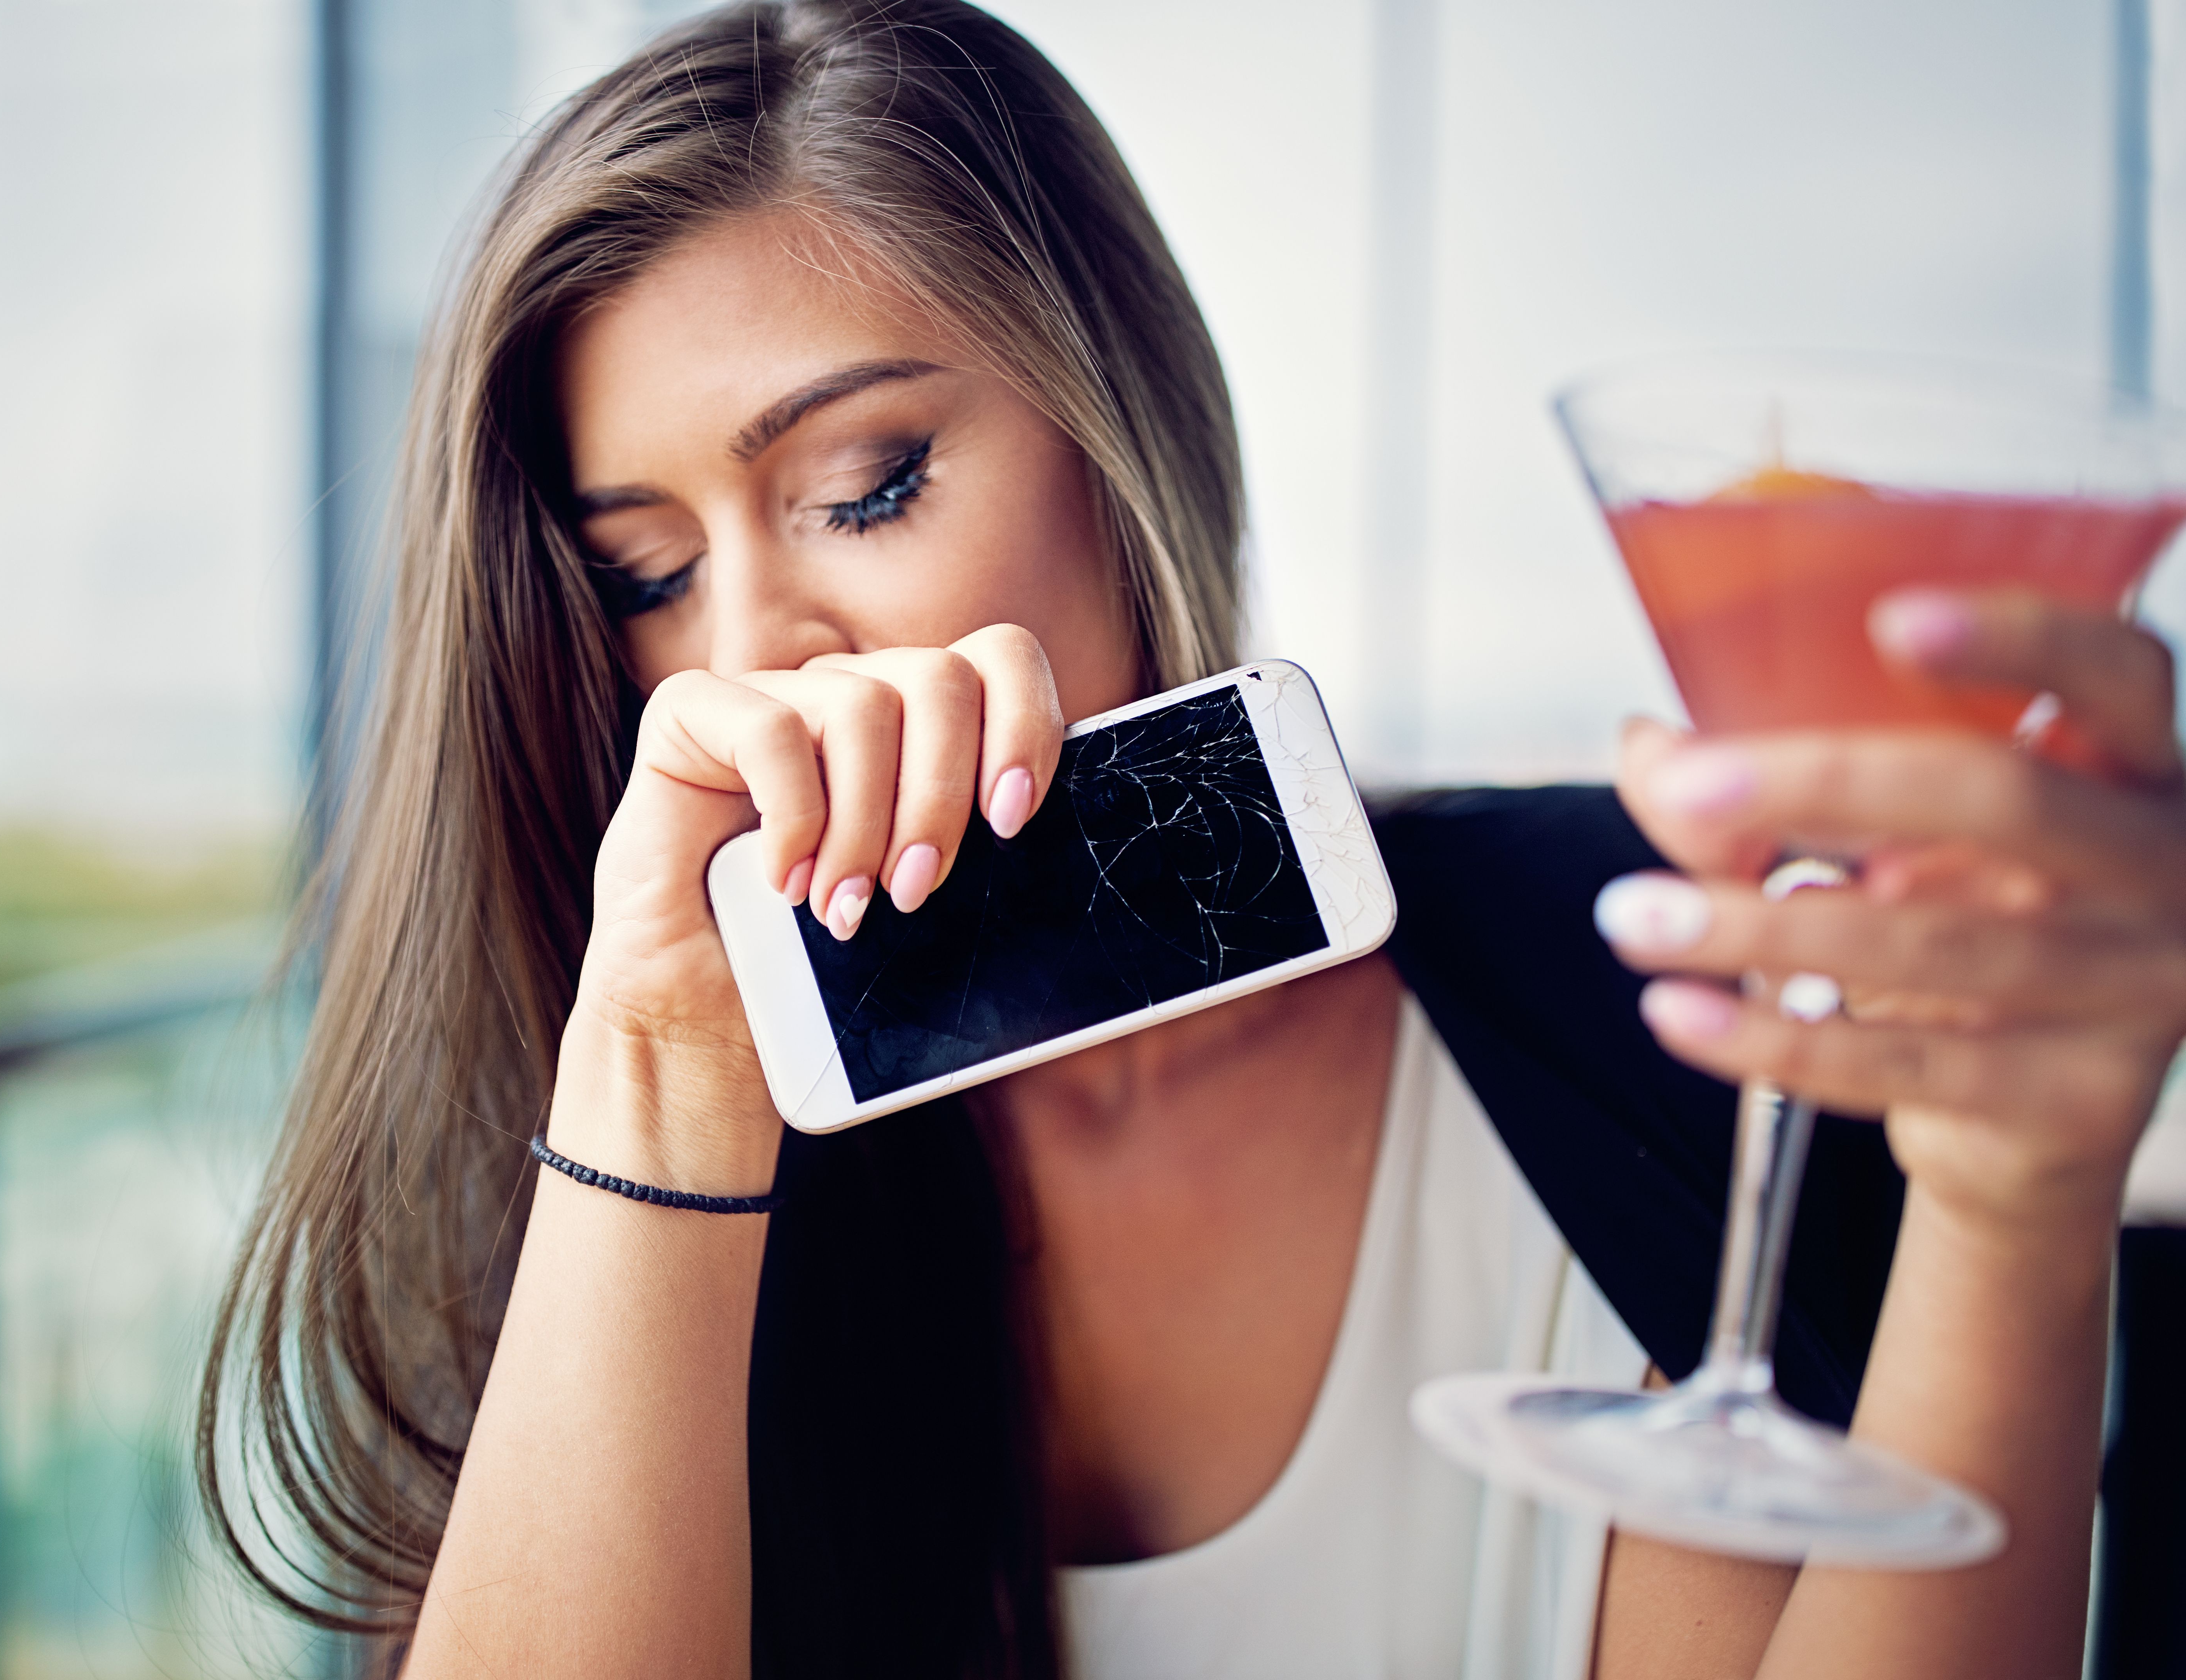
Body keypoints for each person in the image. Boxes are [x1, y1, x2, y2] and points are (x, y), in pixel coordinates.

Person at [196, 4, 2186, 1676]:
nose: (749, 660)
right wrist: (663, 1079)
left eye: (870, 487)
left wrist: (2015, 1211)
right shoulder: (620, 1172)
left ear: (1120, 445)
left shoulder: (1666, 974)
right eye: (641, 575)